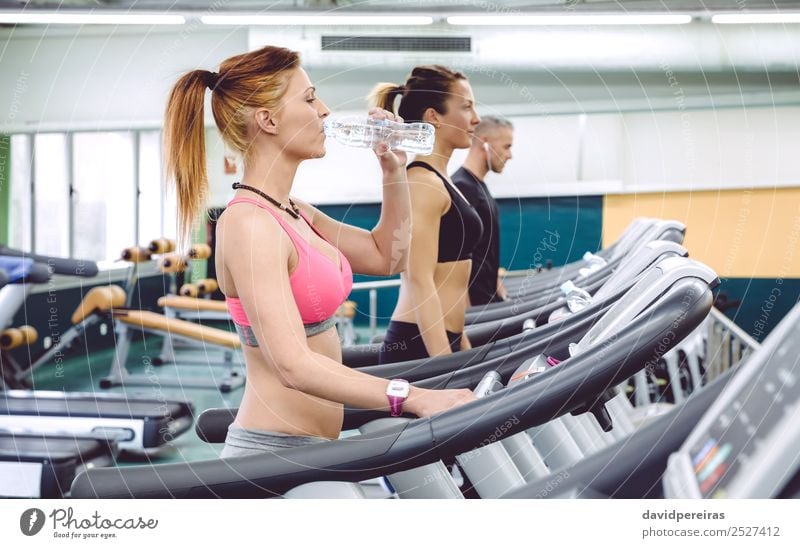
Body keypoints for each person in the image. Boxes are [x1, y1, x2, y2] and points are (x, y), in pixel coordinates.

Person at [163, 46, 474, 457]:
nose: (324, 110)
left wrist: (393, 170)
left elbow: (387, 257)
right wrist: (411, 396)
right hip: (272, 453)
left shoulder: (294, 211)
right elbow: (293, 364)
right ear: (268, 119)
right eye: (309, 98)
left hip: (312, 447)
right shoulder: (250, 225)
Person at [371, 66, 483, 365]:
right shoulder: (422, 183)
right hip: (419, 344)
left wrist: (463, 347)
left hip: (443, 338)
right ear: (434, 116)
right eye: (467, 106)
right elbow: (419, 280)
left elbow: (451, 289)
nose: (476, 118)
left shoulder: (441, 181)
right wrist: (446, 368)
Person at [452, 116, 514, 306]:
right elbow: (455, 258)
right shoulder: (463, 187)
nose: (510, 155)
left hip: (489, 300)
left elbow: (484, 250)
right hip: (475, 308)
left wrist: (498, 286)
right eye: (506, 146)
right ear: (485, 144)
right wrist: (464, 318)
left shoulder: (479, 187)